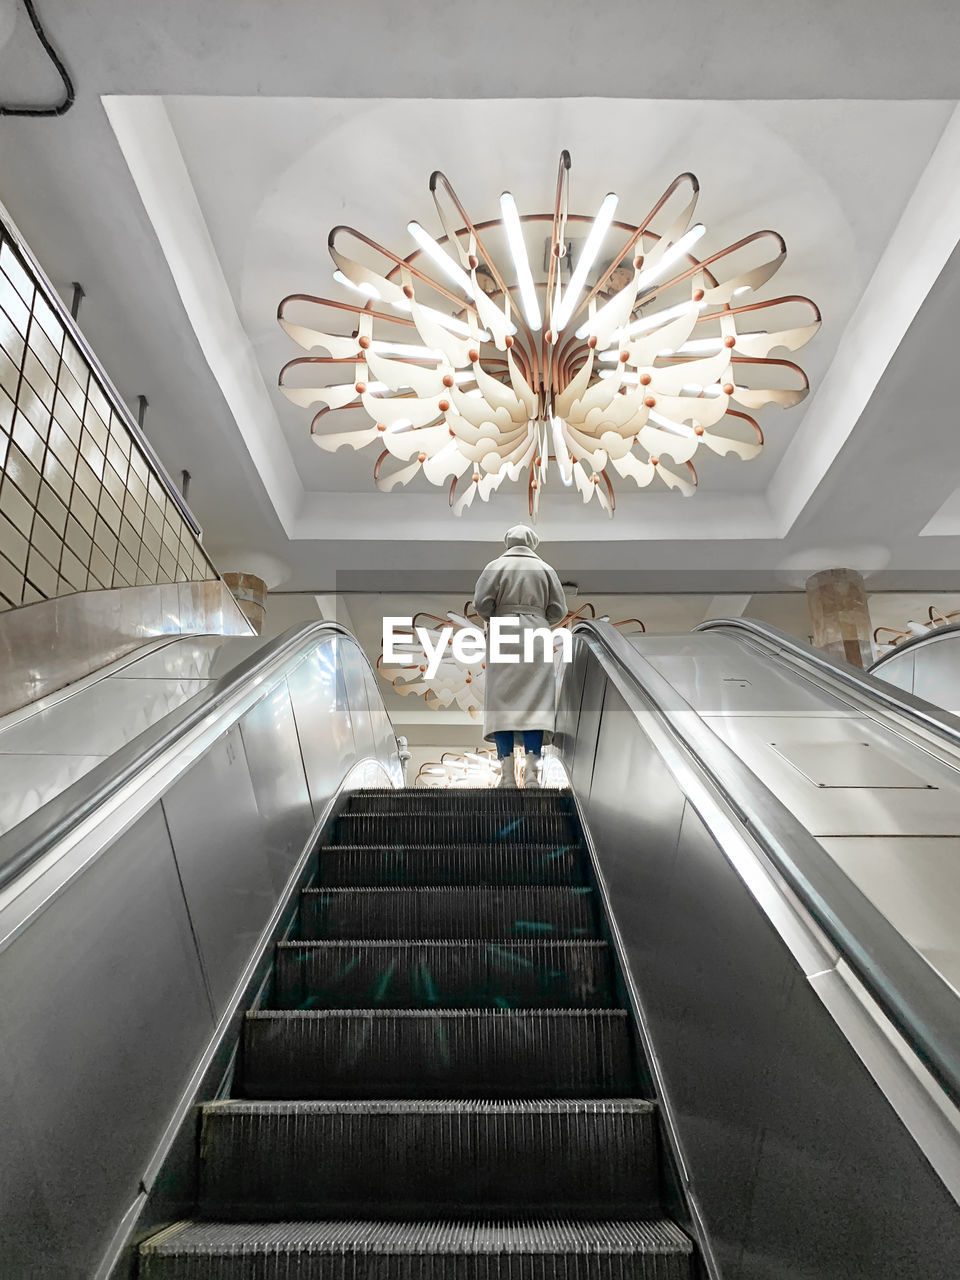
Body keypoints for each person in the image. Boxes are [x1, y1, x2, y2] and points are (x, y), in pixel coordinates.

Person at [473, 525, 566, 789]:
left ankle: (506, 776)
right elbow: (558, 609)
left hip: (503, 630)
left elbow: (481, 603)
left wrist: (499, 613)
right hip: (537, 632)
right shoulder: (545, 569)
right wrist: (537, 615)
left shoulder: (495, 566)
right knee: (535, 702)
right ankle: (533, 774)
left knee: (502, 702)